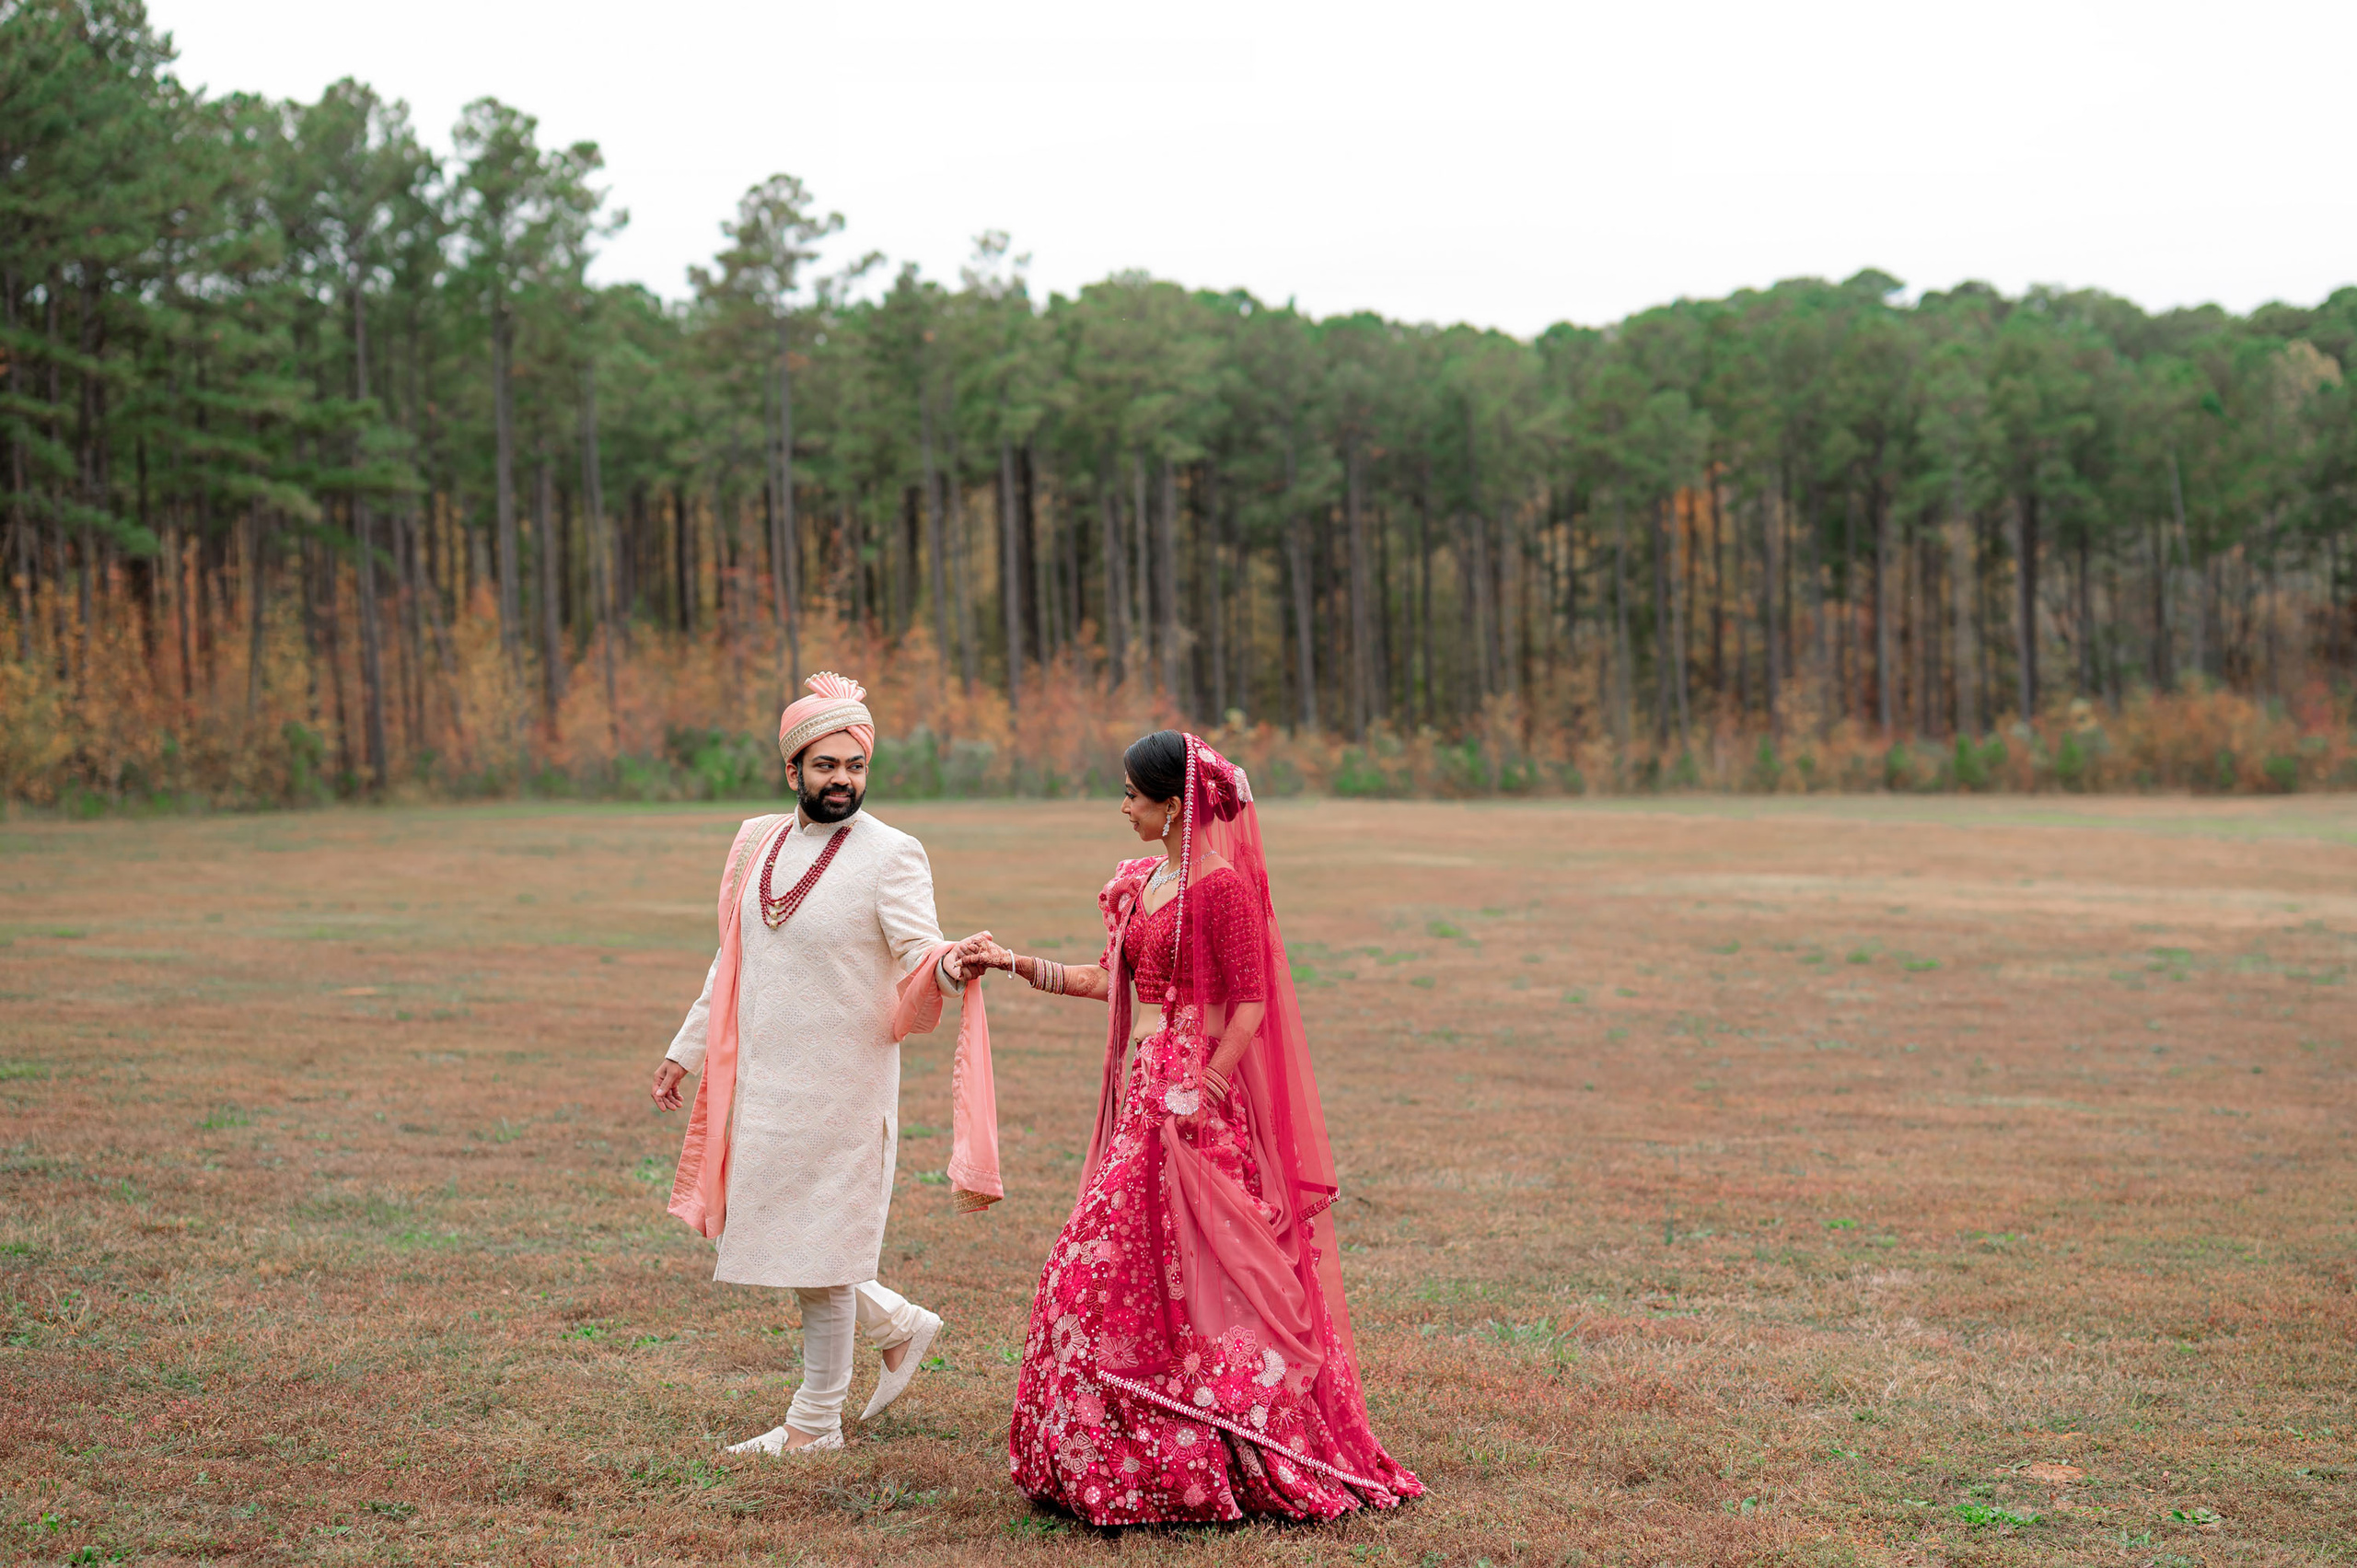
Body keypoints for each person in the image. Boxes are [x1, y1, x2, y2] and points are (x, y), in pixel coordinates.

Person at [973, 729, 1423, 1523]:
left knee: (1205, 1276)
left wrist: (1207, 1082)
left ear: (1174, 804)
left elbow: (1251, 1002)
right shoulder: (1144, 883)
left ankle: (1219, 1439)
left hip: (1196, 1108)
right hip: (1148, 1097)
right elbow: (1105, 980)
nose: (1122, 809)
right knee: (1099, 1267)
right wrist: (1011, 962)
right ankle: (1107, 1448)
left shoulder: (1222, 890)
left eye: (1131, 795)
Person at [650, 672, 1004, 1455]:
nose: (842, 779)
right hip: (766, 1080)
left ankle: (815, 1424)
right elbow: (730, 958)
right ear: (793, 771)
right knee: (792, 1235)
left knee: (823, 1242)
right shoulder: (754, 841)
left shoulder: (891, 854)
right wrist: (685, 1049)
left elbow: (922, 952)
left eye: (855, 765)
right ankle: (899, 1323)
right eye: (826, 765)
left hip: (845, 1084)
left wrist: (954, 963)